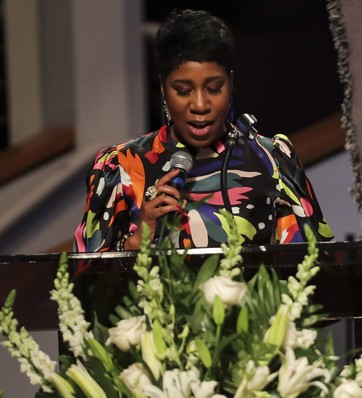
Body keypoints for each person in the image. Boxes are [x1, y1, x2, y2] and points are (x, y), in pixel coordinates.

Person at [73, 9, 333, 252]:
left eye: (214, 88)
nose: (199, 105)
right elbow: (82, 288)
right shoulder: (120, 167)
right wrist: (137, 241)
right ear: (163, 88)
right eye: (184, 91)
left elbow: (316, 269)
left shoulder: (271, 159)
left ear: (230, 83)